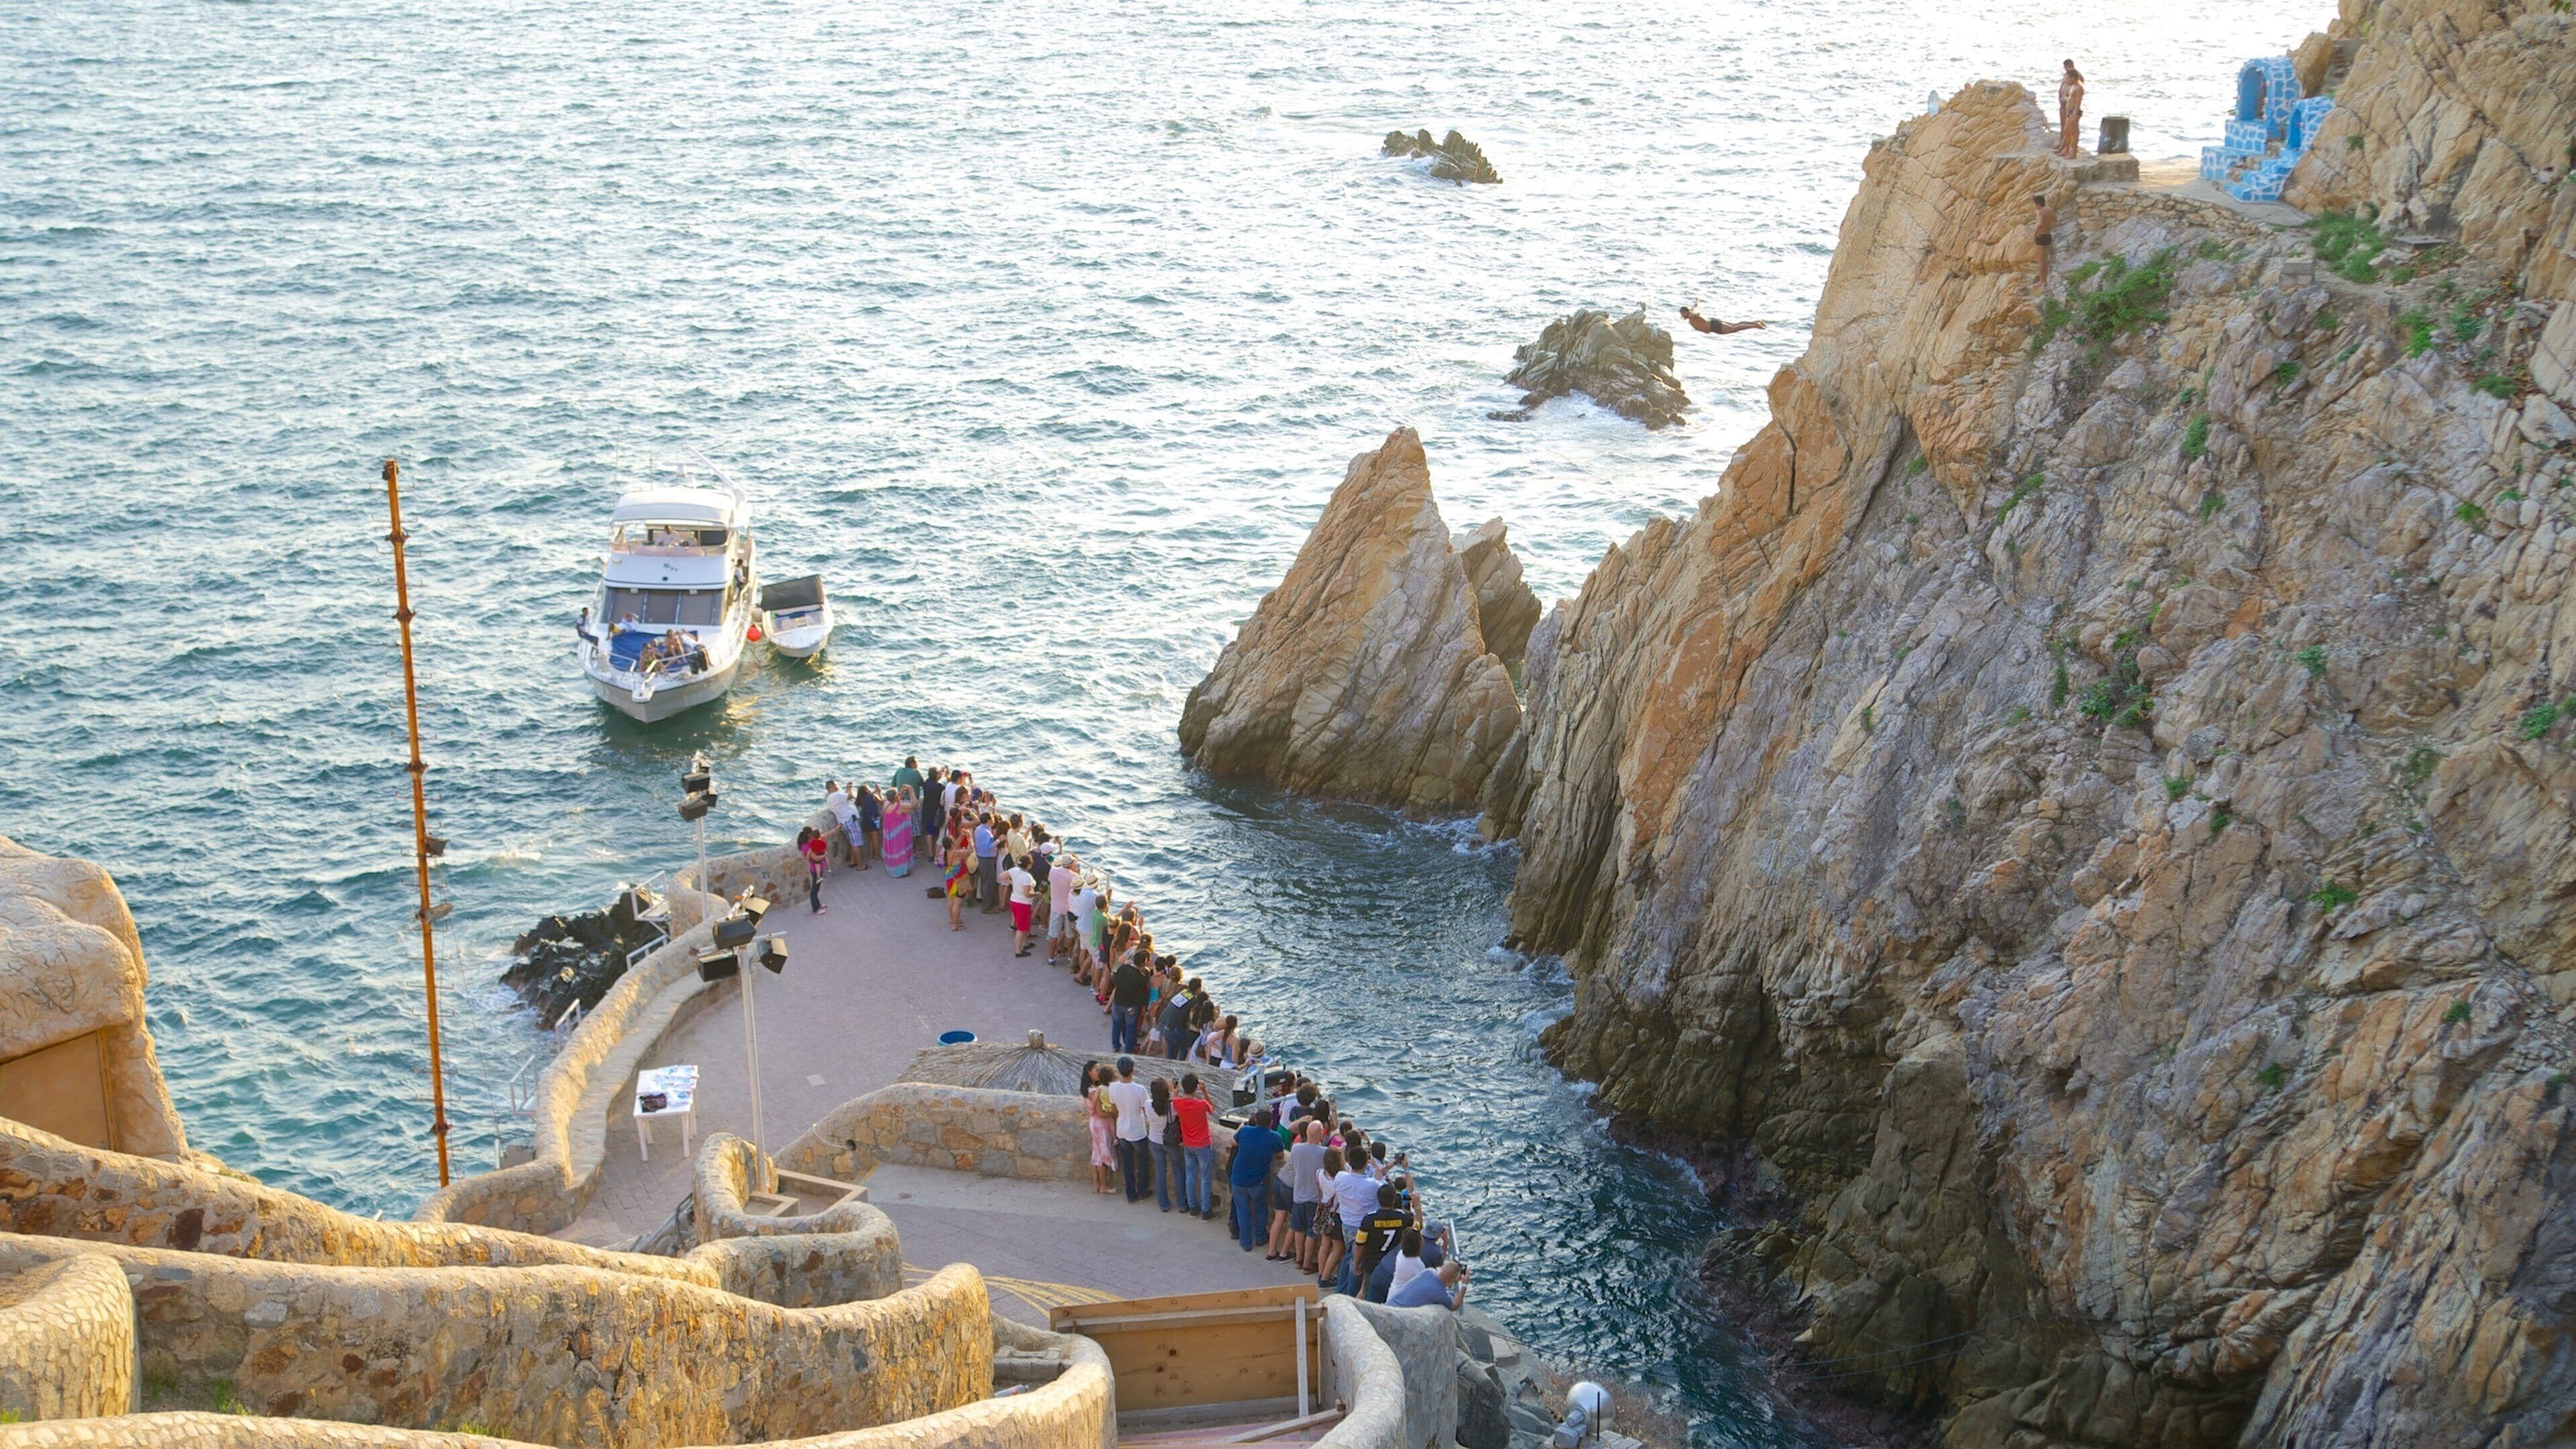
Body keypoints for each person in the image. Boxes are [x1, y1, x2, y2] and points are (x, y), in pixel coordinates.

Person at [1228, 1108, 1284, 1251]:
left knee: (1242, 1210)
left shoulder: (1245, 1131)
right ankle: (1260, 1237)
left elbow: (1233, 1143)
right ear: (1271, 1122)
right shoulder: (1275, 1137)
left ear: (1256, 1120)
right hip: (1258, 1182)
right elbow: (1280, 1156)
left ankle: (1245, 1242)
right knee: (1260, 1209)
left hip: (1238, 1178)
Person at [1107, 1057, 1156, 1203]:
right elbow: (1146, 1109)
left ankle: (1130, 1193)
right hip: (1137, 1130)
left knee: (1127, 1162)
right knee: (1142, 1161)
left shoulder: (1113, 1087)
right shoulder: (1140, 1090)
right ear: (1132, 1070)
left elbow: (1114, 1108)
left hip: (1122, 1129)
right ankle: (1142, 1190)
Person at [1352, 1183, 1409, 1299]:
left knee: (1366, 1292)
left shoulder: (1368, 1219)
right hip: (1394, 1264)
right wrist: (1418, 1208)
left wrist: (1356, 1264)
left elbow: (1360, 1245)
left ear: (1378, 1200)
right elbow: (1417, 1229)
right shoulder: (1404, 1218)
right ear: (1394, 1200)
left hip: (1372, 1263)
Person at [1174, 1071, 1218, 1220]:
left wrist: (1177, 1089)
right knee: (1205, 1178)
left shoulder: (1178, 1102)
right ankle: (1206, 1211)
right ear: (1196, 1087)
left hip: (1188, 1144)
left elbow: (1174, 1097)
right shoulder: (1201, 1104)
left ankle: (1193, 1207)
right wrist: (1205, 1091)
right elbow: (1212, 1108)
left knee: (1190, 1176)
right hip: (1203, 1144)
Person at [1285, 1120, 1328, 1268]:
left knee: (1299, 1229)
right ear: (1321, 1134)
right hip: (1314, 1198)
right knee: (1311, 1233)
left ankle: (1298, 1258)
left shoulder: (1296, 1149)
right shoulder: (1324, 1153)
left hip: (1298, 1196)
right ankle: (1307, 1263)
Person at [1083, 1062, 1118, 1195]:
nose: (1098, 1072)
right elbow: (1100, 1112)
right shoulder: (1094, 1092)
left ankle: (1096, 1185)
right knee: (1103, 1155)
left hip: (1094, 1123)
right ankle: (1104, 1186)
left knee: (1096, 1155)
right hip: (1101, 1125)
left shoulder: (1090, 1089)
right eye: (1096, 1070)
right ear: (1089, 1072)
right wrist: (1114, 1114)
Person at [1148, 1077, 1182, 1212]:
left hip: (1154, 1140)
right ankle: (1182, 1203)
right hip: (1170, 1142)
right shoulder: (1172, 1106)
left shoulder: (1147, 1104)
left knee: (1160, 1171)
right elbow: (1177, 1112)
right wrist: (1175, 1093)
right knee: (1178, 1170)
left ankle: (1164, 1204)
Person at [1387, 1258, 1468, 1311]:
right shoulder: (1439, 1293)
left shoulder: (1429, 1272)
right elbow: (1454, 1306)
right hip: (1397, 1314)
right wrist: (1464, 1285)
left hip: (1389, 1305)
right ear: (1453, 1279)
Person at [1049, 853, 1081, 963]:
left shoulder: (1053, 871)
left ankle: (1051, 958)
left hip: (1055, 907)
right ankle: (1070, 957)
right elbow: (1077, 890)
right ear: (1072, 864)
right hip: (1068, 908)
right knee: (1069, 935)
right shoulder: (1073, 877)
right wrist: (1078, 873)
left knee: (1053, 934)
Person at [1005, 855, 1038, 957]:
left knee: (1024, 924)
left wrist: (1013, 882)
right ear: (1029, 865)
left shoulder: (1014, 871)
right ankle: (1018, 951)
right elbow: (1027, 894)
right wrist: (1037, 894)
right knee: (1021, 928)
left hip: (1014, 900)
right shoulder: (1027, 877)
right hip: (1023, 903)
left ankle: (1026, 943)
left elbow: (1002, 876)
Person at [883, 786, 915, 877]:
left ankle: (892, 870)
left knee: (893, 852)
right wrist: (911, 791)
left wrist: (900, 792)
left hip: (890, 833)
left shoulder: (886, 803)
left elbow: (894, 798)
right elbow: (914, 804)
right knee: (900, 851)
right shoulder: (899, 807)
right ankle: (900, 872)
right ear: (896, 797)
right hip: (899, 835)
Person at [2057, 60, 2086, 160]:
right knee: (2067, 131)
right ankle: (2066, 150)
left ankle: (2073, 153)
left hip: (2074, 112)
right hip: (2069, 111)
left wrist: (2074, 114)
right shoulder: (2073, 87)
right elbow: (2070, 98)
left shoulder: (2079, 88)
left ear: (2073, 78)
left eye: (2069, 78)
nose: (2067, 80)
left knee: (2074, 133)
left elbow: (2078, 102)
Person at [798, 825, 829, 915]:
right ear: (809, 835)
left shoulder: (812, 842)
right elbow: (816, 858)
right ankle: (815, 909)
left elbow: (824, 836)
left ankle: (818, 904)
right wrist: (825, 855)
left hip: (820, 868)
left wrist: (836, 829)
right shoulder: (806, 846)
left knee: (817, 888)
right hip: (815, 870)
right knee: (815, 889)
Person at [974, 814, 1001, 913]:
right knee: (989, 883)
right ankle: (987, 907)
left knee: (985, 881)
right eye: (992, 819)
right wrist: (998, 840)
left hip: (982, 858)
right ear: (989, 820)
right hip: (986, 859)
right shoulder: (985, 832)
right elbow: (987, 847)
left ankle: (987, 903)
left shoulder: (979, 829)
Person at [1680, 305, 1766, 335]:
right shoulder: (1691, 312)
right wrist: (1697, 302)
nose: (1682, 316)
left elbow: (1697, 314)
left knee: (1734, 328)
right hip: (1713, 324)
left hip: (1714, 327)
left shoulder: (1691, 316)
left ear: (1686, 312)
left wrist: (1694, 315)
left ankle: (1755, 325)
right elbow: (1695, 306)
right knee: (1735, 326)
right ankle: (1755, 323)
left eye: (1682, 314)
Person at [2031, 195, 2057, 286]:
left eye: (2034, 203)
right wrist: (2049, 228)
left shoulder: (2040, 212)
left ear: (2038, 204)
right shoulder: (2050, 210)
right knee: (2045, 260)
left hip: (2041, 237)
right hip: (2048, 235)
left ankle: (2042, 281)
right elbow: (2055, 220)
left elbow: (2040, 223)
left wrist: (2034, 234)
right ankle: (2044, 281)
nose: (2034, 205)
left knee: (2041, 261)